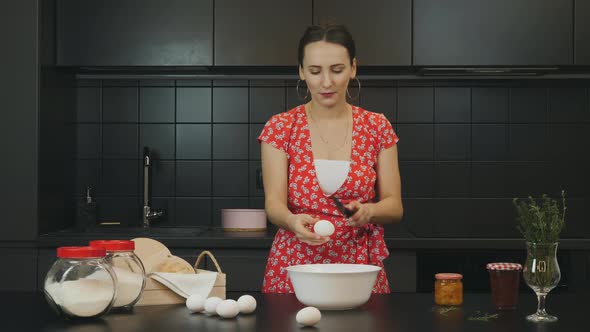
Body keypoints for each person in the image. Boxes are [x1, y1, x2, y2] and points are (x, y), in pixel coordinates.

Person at [258, 24, 403, 293]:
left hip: (359, 268)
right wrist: (292, 222)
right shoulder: (281, 127)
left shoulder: (377, 127)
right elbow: (273, 204)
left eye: (337, 70)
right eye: (315, 71)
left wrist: (369, 211)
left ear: (353, 68)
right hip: (295, 268)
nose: (327, 82)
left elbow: (395, 206)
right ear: (302, 71)